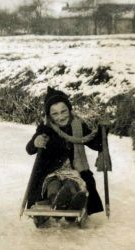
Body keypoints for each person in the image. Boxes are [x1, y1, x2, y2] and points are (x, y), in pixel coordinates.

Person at [25, 87, 106, 223]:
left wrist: (103, 131)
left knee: (72, 184)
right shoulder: (46, 129)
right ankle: (56, 200)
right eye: (55, 114)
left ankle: (72, 201)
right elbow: (30, 149)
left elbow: (95, 144)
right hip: (51, 172)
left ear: (69, 110)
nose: (60, 116)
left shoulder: (78, 126)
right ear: (49, 115)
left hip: (74, 171)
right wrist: (36, 141)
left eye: (63, 111)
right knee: (53, 184)